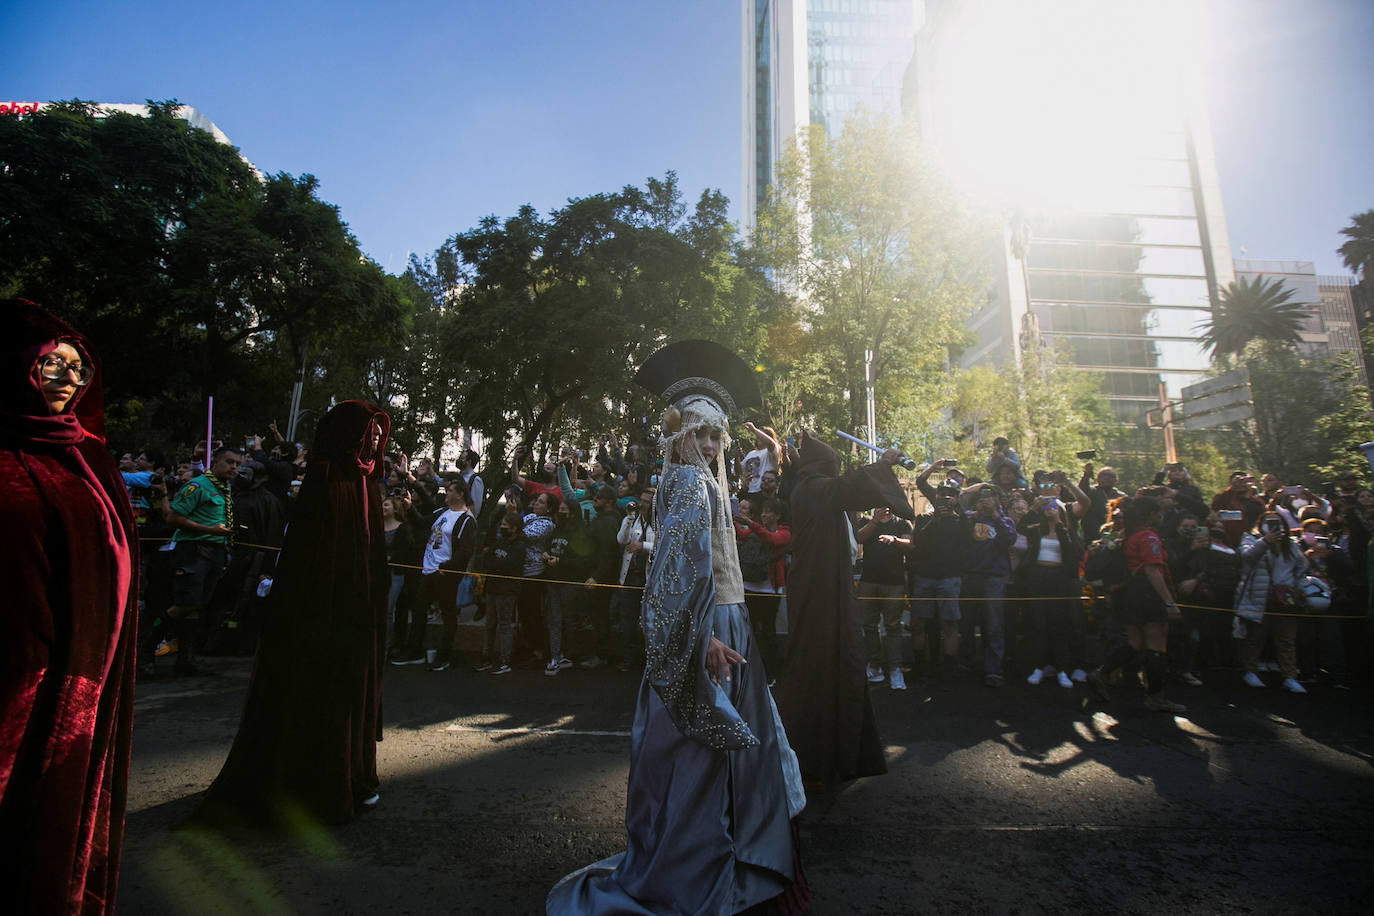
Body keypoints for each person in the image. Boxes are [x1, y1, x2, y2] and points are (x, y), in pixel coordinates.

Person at [547, 340, 809, 914]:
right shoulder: (691, 484)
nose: (712, 445)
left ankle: (710, 857)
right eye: (700, 434)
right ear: (678, 436)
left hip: (724, 622)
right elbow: (669, 576)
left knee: (710, 756)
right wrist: (702, 639)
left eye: (718, 435)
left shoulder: (700, 482)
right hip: (711, 627)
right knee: (701, 760)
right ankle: (700, 869)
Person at [191, 400, 391, 828]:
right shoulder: (328, 480)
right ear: (348, 434)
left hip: (358, 614)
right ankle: (317, 786)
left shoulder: (364, 482)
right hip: (325, 615)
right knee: (321, 692)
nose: (375, 440)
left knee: (352, 693)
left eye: (379, 433)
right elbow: (316, 560)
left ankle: (353, 774)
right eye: (368, 432)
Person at [1, 300, 139, 914]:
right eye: (52, 362)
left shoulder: (90, 453)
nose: (69, 378)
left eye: (79, 368)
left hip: (82, 671)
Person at [774, 430, 914, 789]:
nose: (834, 473)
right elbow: (849, 485)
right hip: (819, 593)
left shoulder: (813, 489)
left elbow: (845, 489)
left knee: (835, 659)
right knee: (819, 661)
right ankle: (813, 754)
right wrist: (884, 462)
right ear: (821, 467)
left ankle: (833, 751)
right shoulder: (813, 490)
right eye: (831, 466)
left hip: (823, 589)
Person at [1086, 497, 1187, 713]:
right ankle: (1155, 696)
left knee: (1134, 642)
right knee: (1156, 644)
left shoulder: (1125, 535)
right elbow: (1153, 570)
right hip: (1147, 595)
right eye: (1157, 513)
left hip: (1126, 594)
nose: (1160, 517)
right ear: (1150, 515)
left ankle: (1102, 672)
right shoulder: (1148, 537)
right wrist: (1169, 602)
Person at [156, 445, 243, 676]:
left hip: (215, 551)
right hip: (193, 550)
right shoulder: (197, 486)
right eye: (229, 462)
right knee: (186, 603)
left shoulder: (225, 488)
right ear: (215, 462)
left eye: (238, 464)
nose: (234, 467)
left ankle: (186, 659)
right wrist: (209, 529)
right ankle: (145, 648)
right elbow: (173, 517)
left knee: (197, 605)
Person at [1231, 511, 1313, 694]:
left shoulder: (1291, 545)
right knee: (1255, 637)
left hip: (1286, 599)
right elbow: (1246, 557)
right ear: (1260, 525)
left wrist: (1301, 591)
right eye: (1268, 523)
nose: (1273, 526)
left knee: (1286, 639)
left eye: (1277, 523)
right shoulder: (1251, 539)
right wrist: (1266, 541)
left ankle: (1290, 676)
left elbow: (1301, 568)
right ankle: (1250, 671)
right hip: (1260, 596)